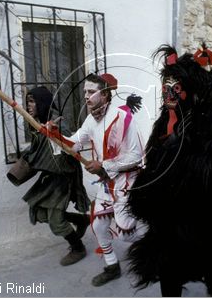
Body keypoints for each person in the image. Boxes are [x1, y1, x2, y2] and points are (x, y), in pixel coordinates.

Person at [127, 44, 212, 297]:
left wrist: (188, 166)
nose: (167, 91)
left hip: (208, 225)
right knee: (168, 271)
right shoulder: (165, 123)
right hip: (170, 225)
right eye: (165, 84)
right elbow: (153, 166)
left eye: (175, 85)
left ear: (194, 90)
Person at [48, 73, 144, 287]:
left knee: (127, 233)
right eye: (85, 92)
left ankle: (159, 246)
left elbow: (136, 156)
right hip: (106, 183)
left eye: (91, 92)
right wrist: (54, 134)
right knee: (99, 224)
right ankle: (112, 266)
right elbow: (73, 144)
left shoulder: (123, 117)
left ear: (106, 94)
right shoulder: (91, 119)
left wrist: (104, 165)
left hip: (126, 181)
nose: (86, 96)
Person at [6, 86, 90, 266]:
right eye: (27, 101)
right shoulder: (37, 121)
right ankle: (80, 219)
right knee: (40, 213)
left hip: (63, 178)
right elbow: (38, 149)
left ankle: (78, 248)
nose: (28, 106)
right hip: (50, 176)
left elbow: (72, 145)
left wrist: (54, 133)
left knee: (56, 222)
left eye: (32, 101)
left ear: (42, 102)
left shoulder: (57, 120)